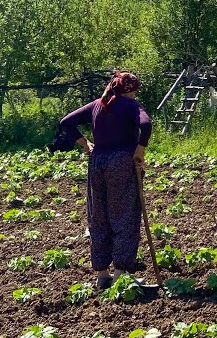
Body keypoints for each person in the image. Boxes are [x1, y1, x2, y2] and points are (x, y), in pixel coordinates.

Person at [59, 71, 151, 288]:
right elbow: (146, 125)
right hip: (121, 162)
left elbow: (66, 122)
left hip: (97, 161)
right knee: (125, 214)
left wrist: (85, 144)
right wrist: (140, 150)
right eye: (134, 91)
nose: (135, 94)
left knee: (98, 215)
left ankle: (102, 274)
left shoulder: (98, 104)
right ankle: (120, 274)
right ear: (129, 90)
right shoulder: (130, 105)